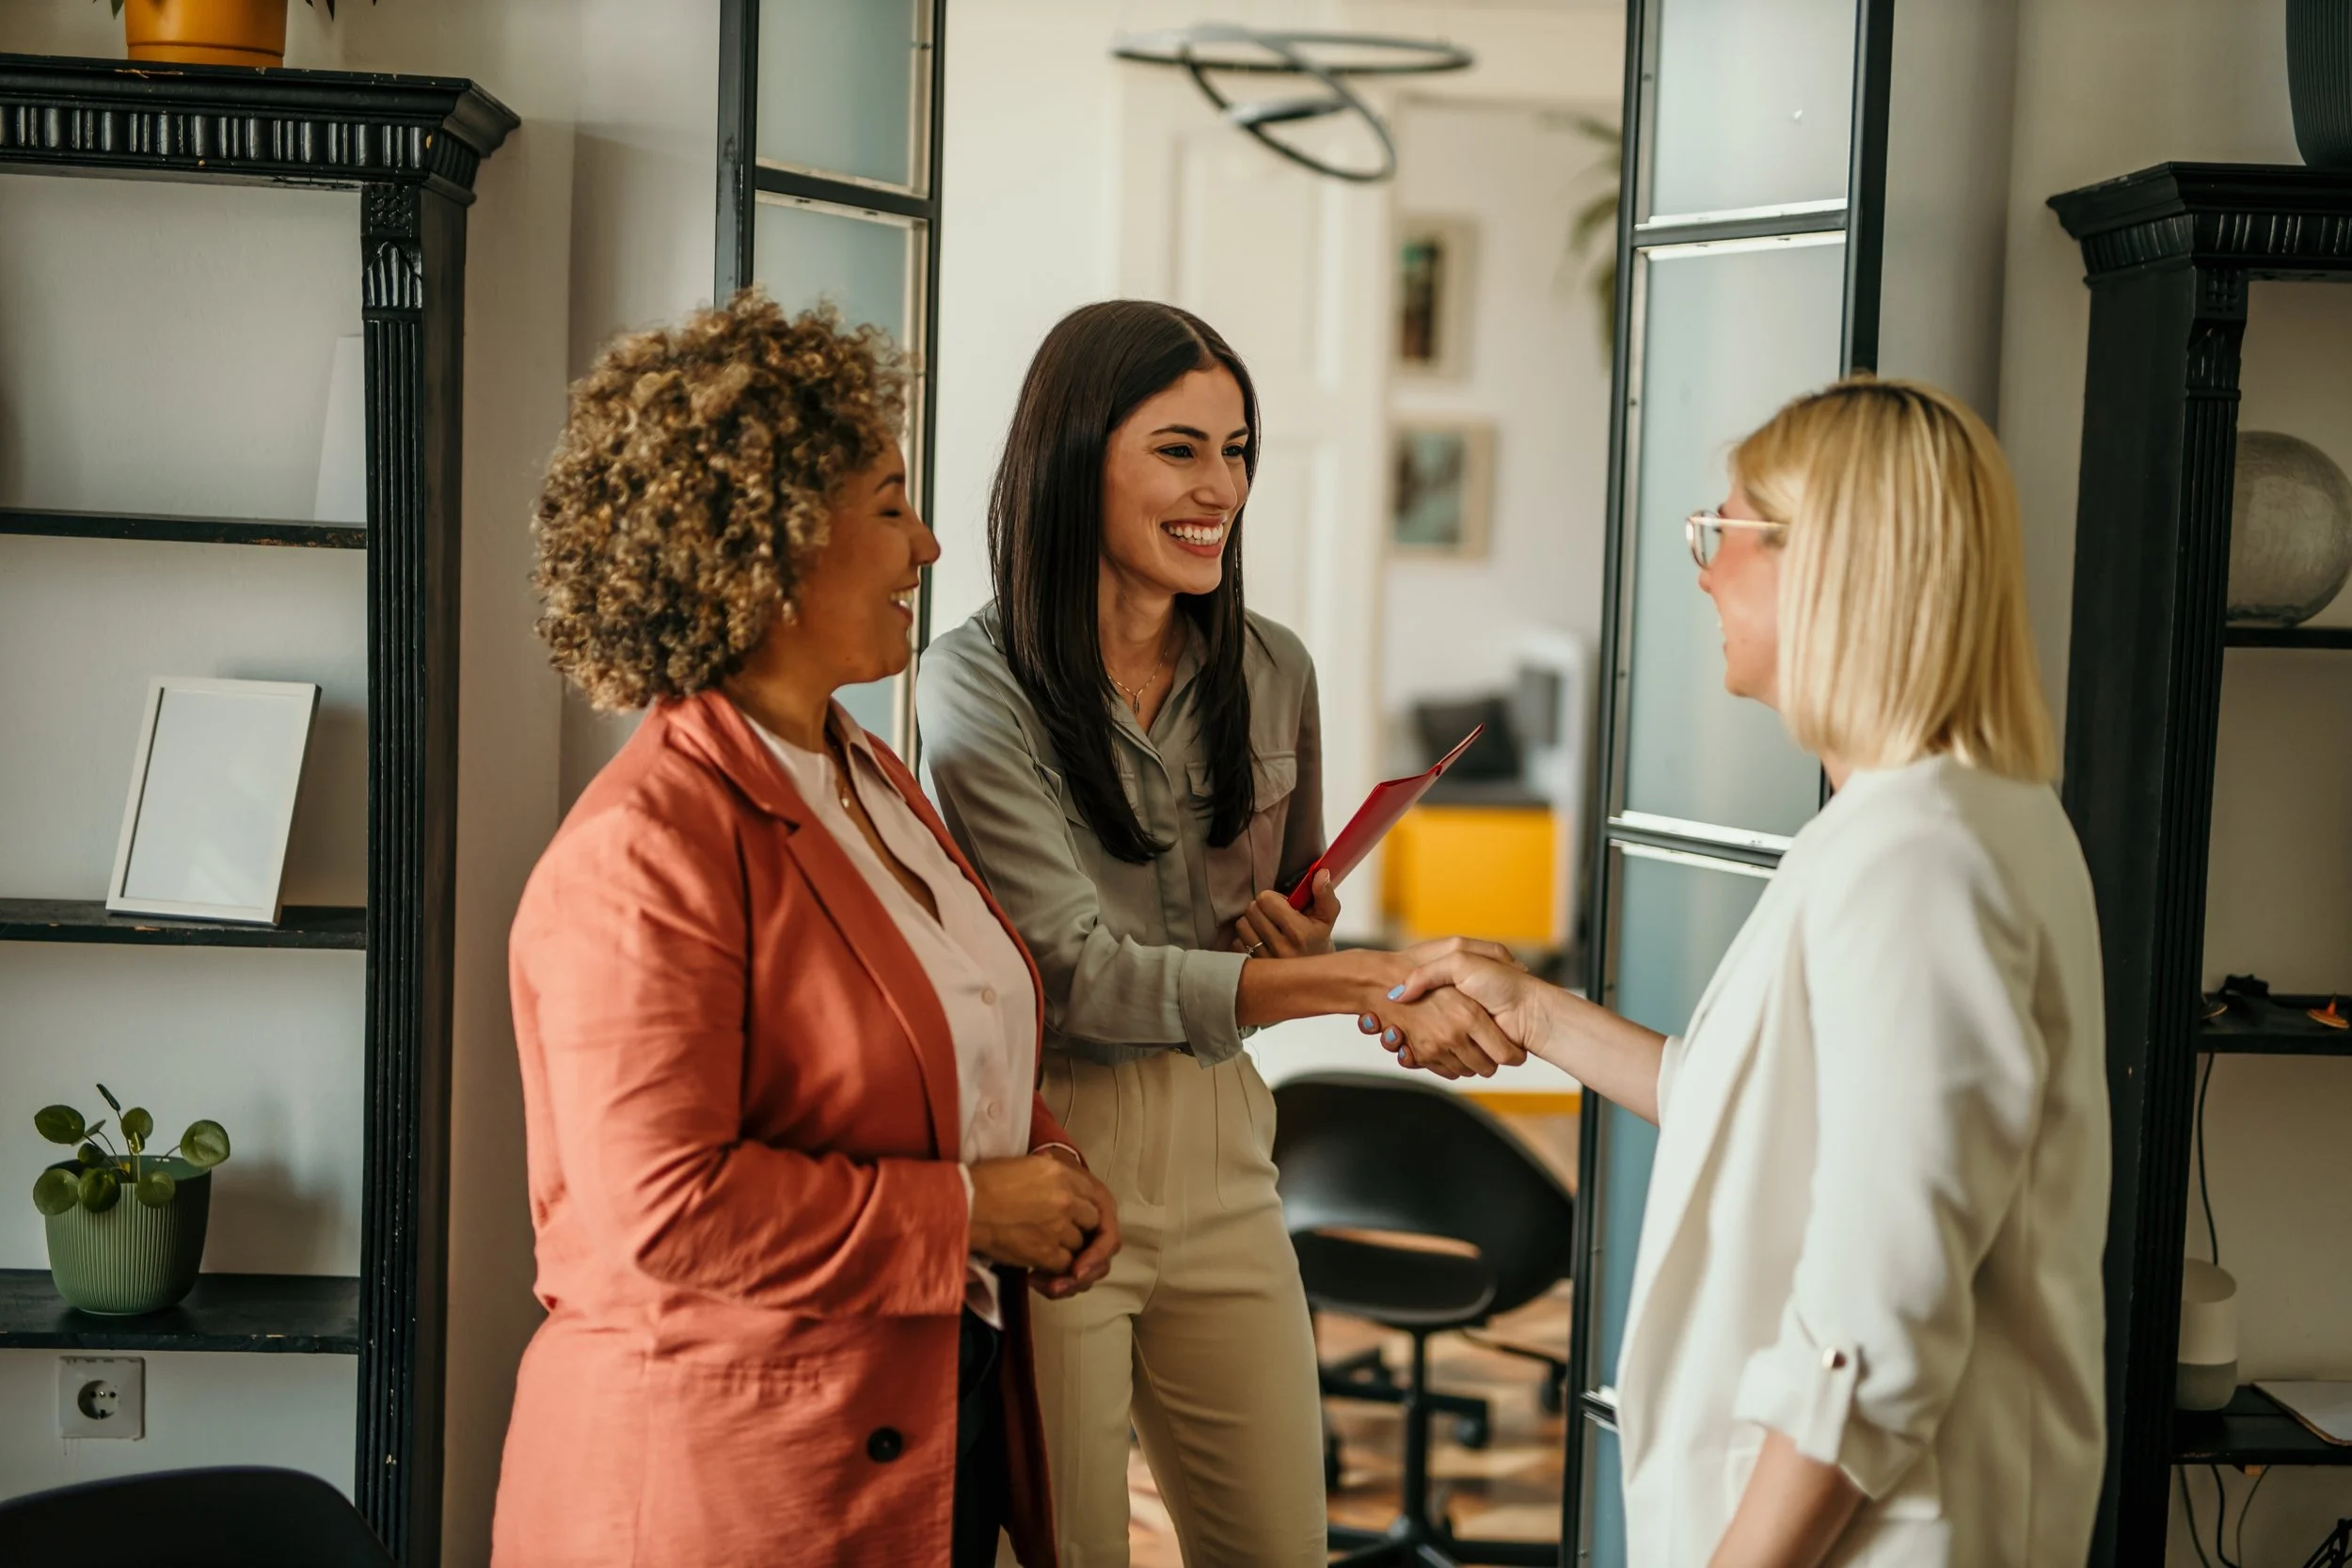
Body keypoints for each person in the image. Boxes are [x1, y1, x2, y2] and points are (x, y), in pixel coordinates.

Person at [1373, 377, 2109, 1566]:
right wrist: (1535, 1010)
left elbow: (1876, 1322)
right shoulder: (1919, 823)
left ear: (1834, 563)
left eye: (1722, 532)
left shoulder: (1920, 859)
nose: (1706, 573)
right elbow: (1752, 1102)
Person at [493, 293, 1120, 1568]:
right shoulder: (645, 848)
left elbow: (938, 1030)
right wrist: (973, 1211)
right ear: (766, 550)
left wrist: (1047, 1167)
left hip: (916, 1431)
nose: (928, 545)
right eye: (890, 507)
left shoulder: (863, 770)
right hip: (721, 1488)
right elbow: (666, 1208)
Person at [918, 300, 1513, 1567]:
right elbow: (1072, 973)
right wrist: (1357, 980)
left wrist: (1308, 934)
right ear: (1075, 459)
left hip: (1233, 1158)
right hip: (1058, 1158)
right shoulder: (975, 682)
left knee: (1279, 1548)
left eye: (1237, 450)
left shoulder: (1274, 667)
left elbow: (1282, 907)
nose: (1222, 489)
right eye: (1180, 449)